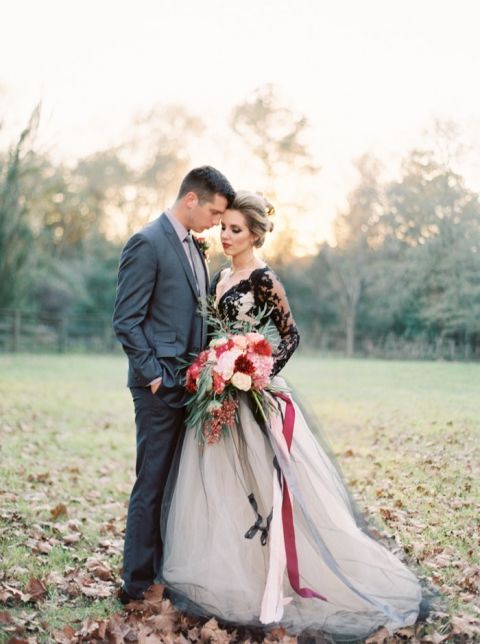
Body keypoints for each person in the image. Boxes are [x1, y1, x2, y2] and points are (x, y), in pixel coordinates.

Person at [160, 191, 423, 640]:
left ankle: (279, 578)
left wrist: (256, 371)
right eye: (223, 227)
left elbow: (290, 336)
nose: (225, 235)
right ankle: (229, 575)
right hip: (221, 396)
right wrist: (216, 368)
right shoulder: (221, 276)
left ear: (255, 235)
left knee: (267, 489)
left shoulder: (264, 279)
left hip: (255, 396)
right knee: (223, 489)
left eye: (235, 229)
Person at [112, 166, 235, 603]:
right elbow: (126, 321)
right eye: (215, 213)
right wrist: (155, 379)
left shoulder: (194, 248)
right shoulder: (147, 243)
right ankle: (136, 583)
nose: (217, 223)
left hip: (190, 385)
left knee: (174, 485)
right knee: (151, 483)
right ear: (190, 200)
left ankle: (165, 571)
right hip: (159, 387)